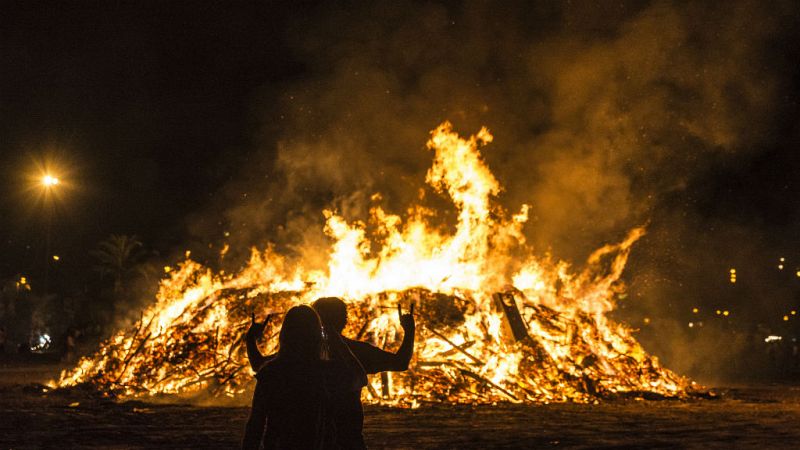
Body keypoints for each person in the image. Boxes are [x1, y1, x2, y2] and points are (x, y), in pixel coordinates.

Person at [247, 297, 415, 449]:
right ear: (344, 320)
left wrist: (250, 339)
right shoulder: (350, 357)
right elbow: (398, 363)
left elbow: (259, 367)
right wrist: (409, 331)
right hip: (346, 442)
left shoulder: (284, 364)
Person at [242, 304, 366, 450]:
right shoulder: (324, 372)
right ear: (316, 336)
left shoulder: (272, 372)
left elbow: (255, 424)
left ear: (285, 334)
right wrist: (333, 335)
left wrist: (250, 340)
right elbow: (360, 377)